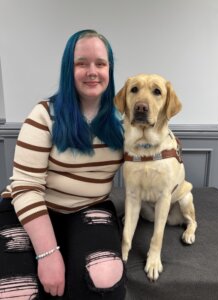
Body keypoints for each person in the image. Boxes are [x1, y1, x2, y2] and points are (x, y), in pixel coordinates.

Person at [0, 29, 126, 299]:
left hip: (89, 208)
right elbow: (25, 187)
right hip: (34, 208)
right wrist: (48, 254)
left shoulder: (124, 119)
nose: (92, 71)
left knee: (104, 280)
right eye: (82, 63)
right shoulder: (44, 114)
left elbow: (155, 150)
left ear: (110, 70)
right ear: (69, 69)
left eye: (100, 64)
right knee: (16, 292)